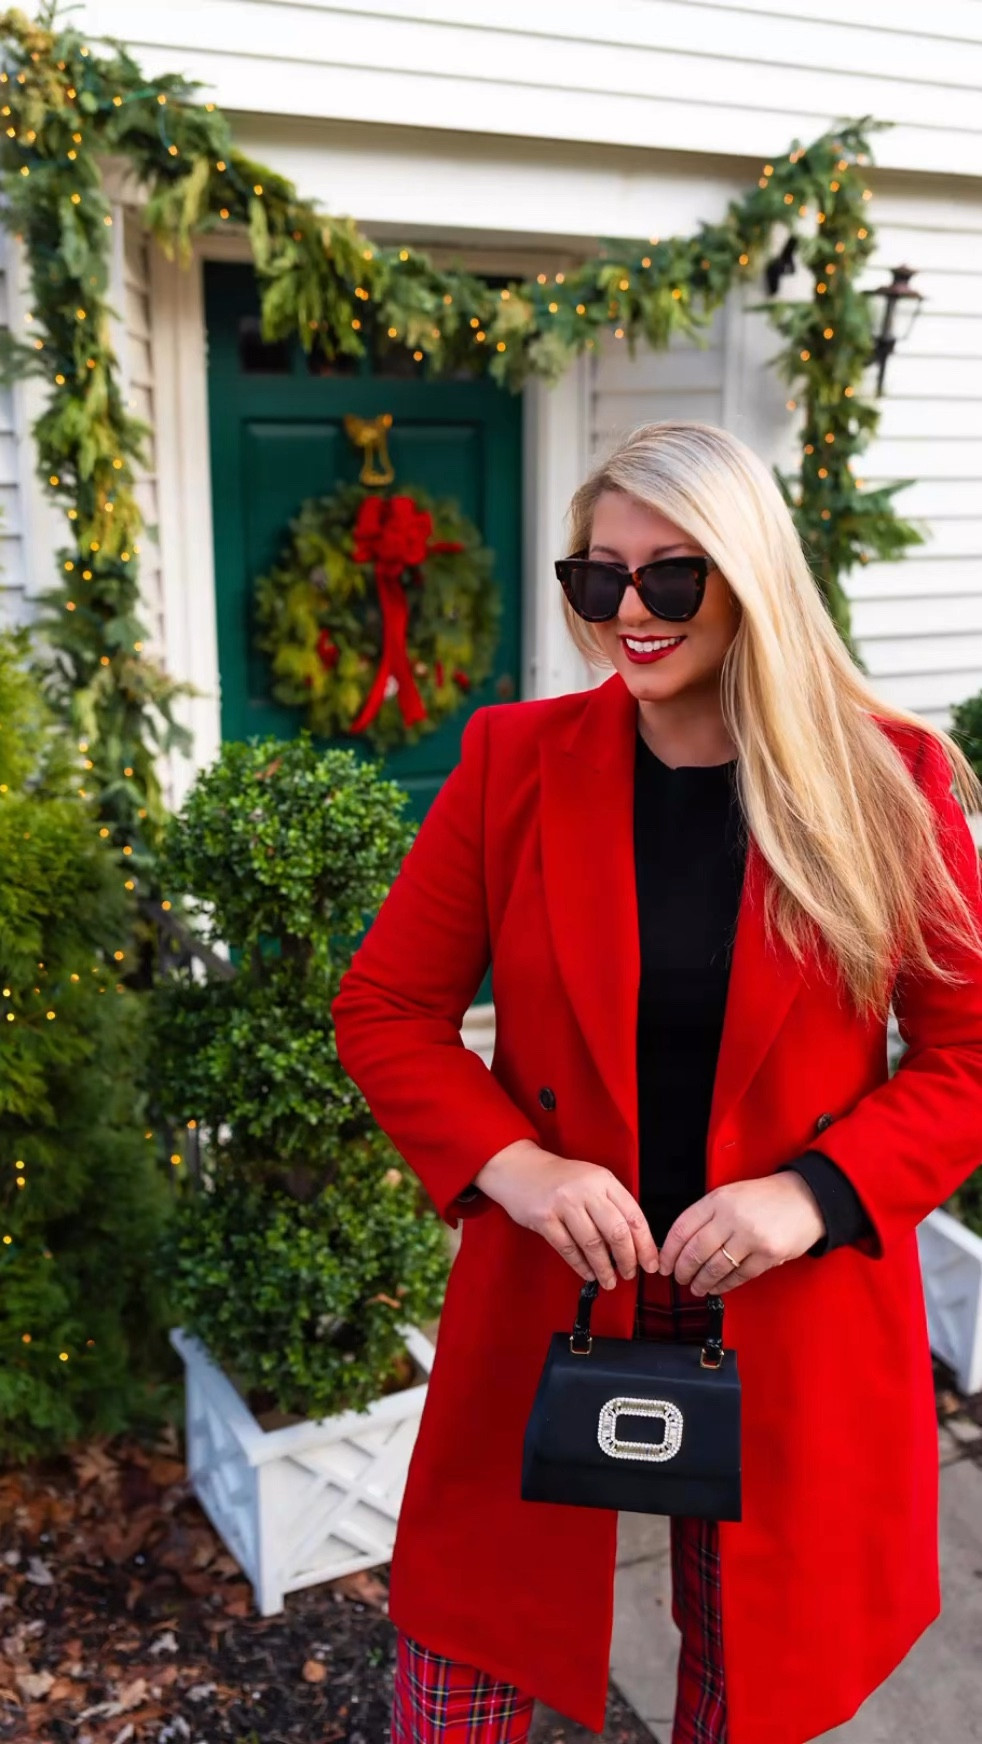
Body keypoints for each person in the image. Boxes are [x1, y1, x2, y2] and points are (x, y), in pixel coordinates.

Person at [330, 421, 982, 1744]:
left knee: (751, 1687)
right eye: (595, 579)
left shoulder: (881, 783)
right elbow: (386, 1009)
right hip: (552, 1290)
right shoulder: (511, 764)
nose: (628, 612)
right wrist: (519, 1166)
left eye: (670, 578)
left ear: (749, 580)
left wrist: (814, 1192)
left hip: (784, 1315)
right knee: (465, 1665)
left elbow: (967, 1053)